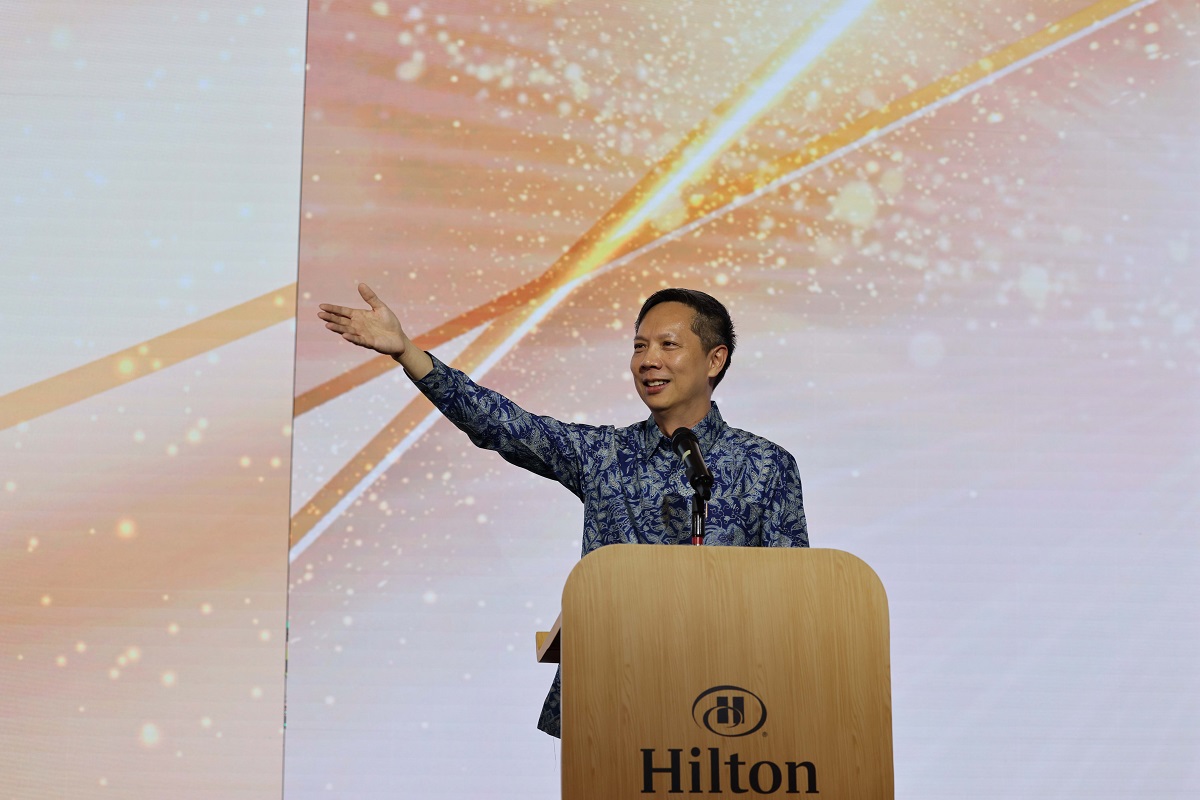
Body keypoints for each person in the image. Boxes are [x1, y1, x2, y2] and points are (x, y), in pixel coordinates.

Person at [318, 284, 808, 737]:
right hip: (612, 701)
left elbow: (796, 604)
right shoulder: (603, 455)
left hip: (731, 708)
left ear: (715, 359)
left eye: (668, 345)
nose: (648, 361)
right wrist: (407, 352)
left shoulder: (766, 466)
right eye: (639, 346)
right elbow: (504, 426)